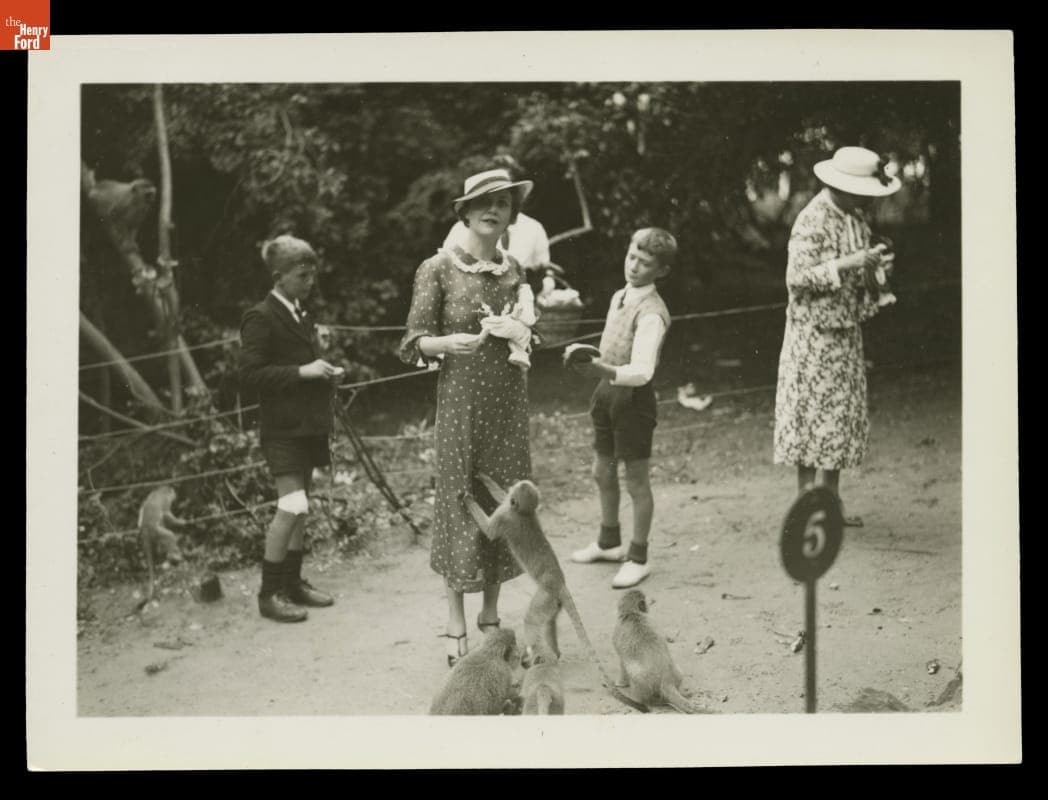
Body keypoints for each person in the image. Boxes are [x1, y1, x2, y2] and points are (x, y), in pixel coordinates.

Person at [400, 168, 536, 666]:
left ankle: (492, 616)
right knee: (460, 501)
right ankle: (456, 618)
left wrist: (521, 331)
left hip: (507, 402)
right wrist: (444, 343)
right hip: (461, 403)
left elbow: (527, 331)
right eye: (482, 201)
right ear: (464, 211)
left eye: (502, 202)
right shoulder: (437, 268)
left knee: (503, 502)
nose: (492, 208)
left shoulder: (513, 269)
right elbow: (411, 341)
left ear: (511, 215)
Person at [773, 146, 900, 525]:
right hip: (813, 335)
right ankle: (806, 506)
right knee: (811, 417)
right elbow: (797, 278)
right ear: (840, 186)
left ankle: (830, 502)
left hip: (845, 332)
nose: (863, 200)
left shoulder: (853, 217)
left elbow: (860, 272)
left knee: (839, 420)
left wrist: (875, 267)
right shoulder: (813, 219)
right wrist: (850, 262)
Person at [239, 235, 343, 623]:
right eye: (302, 275)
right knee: (291, 505)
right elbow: (249, 375)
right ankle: (269, 595)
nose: (310, 281)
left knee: (303, 507)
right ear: (279, 276)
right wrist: (304, 371)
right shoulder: (260, 316)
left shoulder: (300, 312)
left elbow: (302, 362)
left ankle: (293, 582)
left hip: (308, 426)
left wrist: (323, 371)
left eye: (312, 274)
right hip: (282, 429)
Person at [568, 228, 675, 589]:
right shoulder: (620, 295)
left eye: (645, 264)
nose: (634, 267)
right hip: (605, 394)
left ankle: (638, 556)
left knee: (637, 482)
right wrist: (592, 364)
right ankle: (609, 541)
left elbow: (642, 370)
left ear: (661, 271)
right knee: (602, 470)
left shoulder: (653, 313)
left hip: (633, 401)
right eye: (632, 257)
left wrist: (601, 369)